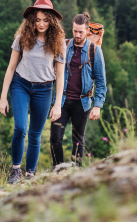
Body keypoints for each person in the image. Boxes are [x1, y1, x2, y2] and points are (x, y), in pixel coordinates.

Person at [0, 0, 66, 184]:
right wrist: (3, 97)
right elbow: (11, 68)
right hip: (21, 85)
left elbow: (60, 76)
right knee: (20, 128)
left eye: (45, 19)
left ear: (51, 20)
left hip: (44, 89)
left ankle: (29, 175)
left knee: (36, 135)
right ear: (31, 20)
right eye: (37, 19)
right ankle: (15, 170)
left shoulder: (59, 44)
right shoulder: (22, 38)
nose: (41, 24)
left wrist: (57, 104)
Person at [50, 12, 107, 167]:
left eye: (81, 31)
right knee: (55, 139)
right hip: (61, 100)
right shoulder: (64, 45)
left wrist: (97, 105)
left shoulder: (95, 51)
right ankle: (58, 170)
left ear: (87, 30)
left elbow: (101, 81)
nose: (77, 34)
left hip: (82, 103)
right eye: (75, 31)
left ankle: (75, 173)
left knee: (78, 141)